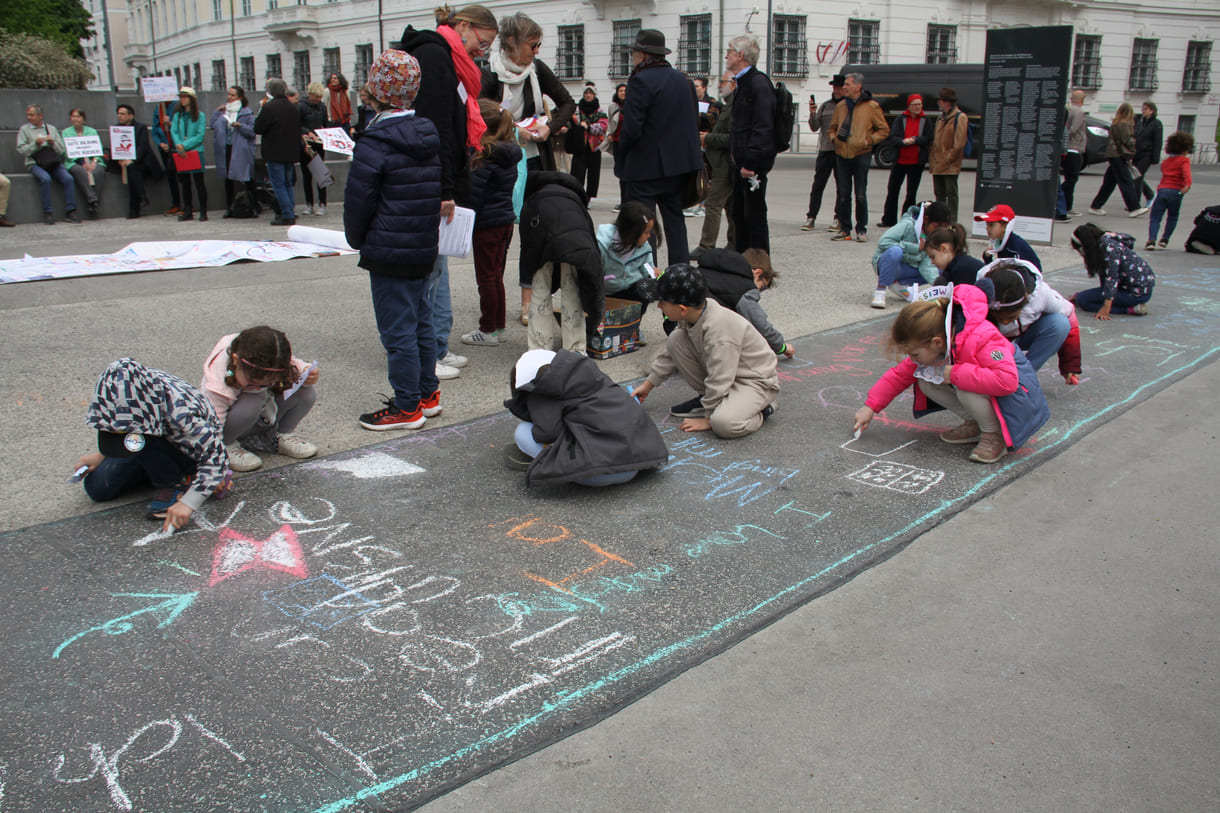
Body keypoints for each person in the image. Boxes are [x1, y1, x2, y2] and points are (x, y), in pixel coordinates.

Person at [344, 49, 444, 431]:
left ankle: (406, 407)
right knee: (420, 322)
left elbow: (359, 201)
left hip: (388, 248)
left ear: (376, 89)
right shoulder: (426, 134)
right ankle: (426, 393)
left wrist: (358, 240)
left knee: (397, 332)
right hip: (421, 245)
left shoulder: (375, 140)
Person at [401, 4, 498, 380]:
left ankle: (437, 345)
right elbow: (435, 129)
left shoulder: (448, 59)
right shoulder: (435, 57)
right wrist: (443, 188)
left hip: (442, 180)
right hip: (431, 183)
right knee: (429, 273)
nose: (481, 51)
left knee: (438, 270)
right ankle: (428, 354)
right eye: (481, 42)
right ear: (462, 26)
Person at [852, 285, 1049, 465]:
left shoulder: (983, 337)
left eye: (914, 353)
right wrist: (870, 406)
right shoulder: (939, 341)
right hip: (993, 393)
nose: (913, 359)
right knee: (926, 381)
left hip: (1020, 402)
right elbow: (900, 375)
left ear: (937, 342)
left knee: (964, 386)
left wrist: (955, 373)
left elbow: (1007, 381)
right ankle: (977, 424)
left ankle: (994, 434)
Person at [76, 358, 229, 531]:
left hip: (186, 450)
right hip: (147, 442)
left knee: (143, 440)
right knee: (97, 488)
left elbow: (217, 456)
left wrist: (189, 503)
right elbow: (119, 425)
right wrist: (101, 455)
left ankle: (178, 481)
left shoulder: (181, 413)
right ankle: (154, 469)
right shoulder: (122, 396)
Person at [632, 264, 779, 439]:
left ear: (682, 309)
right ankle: (715, 401)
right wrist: (648, 385)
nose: (659, 307)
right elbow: (670, 355)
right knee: (676, 339)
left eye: (662, 302)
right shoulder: (693, 315)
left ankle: (764, 410)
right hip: (730, 375)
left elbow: (720, 375)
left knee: (723, 424)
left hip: (754, 382)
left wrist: (709, 419)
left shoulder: (719, 331)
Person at [504, 349, 668, 487]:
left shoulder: (542, 390)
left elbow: (547, 433)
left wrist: (535, 412)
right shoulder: (591, 374)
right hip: (640, 460)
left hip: (601, 474)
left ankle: (548, 461)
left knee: (523, 432)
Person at [615, 29, 702, 266]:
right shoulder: (683, 80)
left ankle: (649, 274)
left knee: (644, 223)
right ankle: (679, 272)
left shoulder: (640, 79)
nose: (632, 57)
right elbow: (692, 121)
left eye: (634, 52)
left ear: (642, 54)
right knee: (675, 220)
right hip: (677, 166)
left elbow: (632, 128)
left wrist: (620, 151)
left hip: (645, 166)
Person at [200, 326, 319, 472]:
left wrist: (306, 371)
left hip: (259, 419)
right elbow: (213, 423)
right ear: (236, 361)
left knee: (306, 393)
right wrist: (214, 458)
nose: (259, 387)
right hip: (227, 426)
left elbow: (294, 364)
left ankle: (274, 437)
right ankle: (227, 445)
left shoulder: (269, 355)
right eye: (253, 382)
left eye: (271, 382)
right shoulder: (218, 381)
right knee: (253, 399)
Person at [518, 171, 604, 354]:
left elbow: (526, 243)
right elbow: (590, 242)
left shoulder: (533, 198)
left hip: (540, 232)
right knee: (572, 288)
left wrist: (532, 266)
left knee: (540, 289)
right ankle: (575, 350)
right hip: (575, 243)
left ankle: (539, 349)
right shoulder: (576, 201)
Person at [481, 12, 576, 174]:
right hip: (501, 157)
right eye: (533, 45)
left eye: (539, 45)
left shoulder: (537, 69)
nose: (536, 51)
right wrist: (514, 131)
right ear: (512, 41)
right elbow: (480, 116)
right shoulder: (490, 74)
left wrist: (549, 128)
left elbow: (568, 102)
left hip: (536, 157)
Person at [461, 100, 523, 347]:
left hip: (486, 223)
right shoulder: (509, 151)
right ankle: (497, 326)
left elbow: (474, 195)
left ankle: (488, 328)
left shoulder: (484, 156)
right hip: (504, 220)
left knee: (486, 277)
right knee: (495, 275)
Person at [979, 259, 1081, 385]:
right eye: (999, 318)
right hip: (994, 343)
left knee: (1060, 323)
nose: (1005, 322)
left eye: (1011, 317)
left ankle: (1023, 376)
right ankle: (997, 375)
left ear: (1025, 300)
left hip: (1024, 336)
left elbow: (1071, 319)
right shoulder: (980, 294)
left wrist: (1070, 364)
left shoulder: (1042, 295)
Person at [726, 34, 776, 253]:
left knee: (753, 214)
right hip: (741, 162)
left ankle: (759, 261)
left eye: (729, 51)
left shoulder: (757, 83)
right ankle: (742, 258)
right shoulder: (742, 83)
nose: (726, 55)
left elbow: (762, 126)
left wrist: (751, 162)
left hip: (751, 165)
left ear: (740, 55)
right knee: (739, 213)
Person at [696, 247, 794, 359]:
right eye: (761, 287)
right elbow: (759, 323)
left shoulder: (712, 271)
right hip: (709, 333)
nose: (758, 293)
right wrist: (781, 347)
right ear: (757, 273)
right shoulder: (744, 288)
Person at [829, 73, 887, 242]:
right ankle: (844, 229)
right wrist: (833, 138)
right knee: (843, 194)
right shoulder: (840, 106)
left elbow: (883, 130)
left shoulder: (871, 106)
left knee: (860, 194)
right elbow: (832, 128)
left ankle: (861, 229)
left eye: (847, 84)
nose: (844, 87)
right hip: (842, 154)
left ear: (858, 87)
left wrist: (869, 140)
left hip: (861, 153)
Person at [869, 200, 950, 308]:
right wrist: (916, 248)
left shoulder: (931, 236)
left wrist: (938, 285)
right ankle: (880, 291)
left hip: (907, 267)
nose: (938, 231)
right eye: (936, 226)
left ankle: (901, 285)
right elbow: (883, 242)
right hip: (887, 263)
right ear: (926, 219)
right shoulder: (907, 224)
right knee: (895, 251)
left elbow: (927, 265)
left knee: (940, 266)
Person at [1070, 224, 1155, 319]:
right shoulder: (1108, 238)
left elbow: (1112, 277)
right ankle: (1117, 302)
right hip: (1142, 289)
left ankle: (1130, 309)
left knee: (1083, 300)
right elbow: (1130, 240)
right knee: (1084, 297)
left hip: (1134, 294)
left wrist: (1106, 307)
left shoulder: (1106, 248)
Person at [16, 104, 78, 225]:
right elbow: (21, 150)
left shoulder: (51, 129)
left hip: (52, 161)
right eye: (28, 115)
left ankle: (71, 211)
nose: (29, 117)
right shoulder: (24, 130)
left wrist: (52, 143)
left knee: (68, 178)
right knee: (45, 179)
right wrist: (35, 144)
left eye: (32, 115)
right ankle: (48, 212)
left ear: (40, 116)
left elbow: (62, 151)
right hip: (34, 163)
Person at [597, 200, 659, 317]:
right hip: (606, 292)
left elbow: (647, 269)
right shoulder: (602, 245)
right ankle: (598, 326)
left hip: (630, 289)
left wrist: (653, 274)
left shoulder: (644, 247)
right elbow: (592, 274)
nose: (649, 236)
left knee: (648, 288)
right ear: (631, 232)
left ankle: (632, 325)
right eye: (646, 232)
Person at [878, 94, 932, 228]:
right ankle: (889, 219)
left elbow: (929, 138)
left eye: (919, 104)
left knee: (911, 192)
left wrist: (916, 140)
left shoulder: (926, 120)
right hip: (900, 161)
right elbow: (893, 137)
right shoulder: (900, 119)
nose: (918, 107)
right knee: (893, 190)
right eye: (915, 104)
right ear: (909, 106)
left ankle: (906, 220)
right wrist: (903, 142)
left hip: (916, 162)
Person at [697, 71, 735, 253]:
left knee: (713, 204)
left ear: (733, 84)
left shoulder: (733, 106)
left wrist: (709, 138)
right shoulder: (729, 105)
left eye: (722, 82)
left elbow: (733, 138)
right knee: (730, 205)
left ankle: (706, 246)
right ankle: (733, 244)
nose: (719, 85)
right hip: (721, 162)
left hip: (726, 164)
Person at [255, 78, 301, 226]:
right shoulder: (293, 107)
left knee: (278, 185)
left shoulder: (269, 107)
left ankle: (287, 214)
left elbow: (258, 128)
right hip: (291, 151)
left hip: (274, 151)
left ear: (271, 91)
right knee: (288, 184)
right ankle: (290, 211)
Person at [1088, 103, 1146, 217]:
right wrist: (1133, 149)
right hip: (1119, 154)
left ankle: (1096, 206)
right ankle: (1134, 207)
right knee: (1126, 181)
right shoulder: (1124, 124)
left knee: (1109, 183)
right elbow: (1126, 140)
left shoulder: (1116, 123)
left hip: (1113, 153)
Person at [802, 74, 844, 232]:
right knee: (818, 185)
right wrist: (812, 113)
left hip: (841, 151)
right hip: (825, 150)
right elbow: (815, 126)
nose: (837, 90)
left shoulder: (847, 106)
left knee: (841, 187)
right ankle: (811, 217)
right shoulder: (826, 106)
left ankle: (838, 218)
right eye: (835, 87)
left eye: (839, 87)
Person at [210, 85, 258, 219]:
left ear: (239, 97)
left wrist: (240, 126)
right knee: (228, 179)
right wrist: (216, 112)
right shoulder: (223, 113)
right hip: (227, 147)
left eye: (232, 95)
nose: (229, 97)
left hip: (241, 149)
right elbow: (212, 124)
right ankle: (229, 207)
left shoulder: (246, 113)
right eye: (229, 94)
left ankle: (252, 206)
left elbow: (252, 131)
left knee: (247, 178)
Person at [928, 87, 969, 225]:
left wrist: (948, 158)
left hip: (950, 164)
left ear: (947, 102)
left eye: (941, 100)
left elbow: (959, 143)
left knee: (951, 194)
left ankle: (952, 222)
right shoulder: (941, 118)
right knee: (939, 193)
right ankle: (940, 220)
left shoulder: (959, 117)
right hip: (937, 162)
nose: (939, 102)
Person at [1146, 131, 1193, 250]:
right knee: (1172, 216)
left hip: (1162, 190)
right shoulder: (1184, 161)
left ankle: (1151, 240)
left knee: (1155, 217)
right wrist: (1187, 185)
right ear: (1185, 148)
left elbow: (1164, 172)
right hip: (1176, 191)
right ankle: (1165, 239)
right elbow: (1187, 174)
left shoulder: (1166, 162)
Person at [169, 88, 208, 221]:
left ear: (192, 98)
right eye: (181, 97)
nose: (183, 99)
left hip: (195, 151)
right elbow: (173, 131)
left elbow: (200, 135)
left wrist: (185, 145)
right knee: (185, 183)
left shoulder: (200, 115)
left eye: (185, 97)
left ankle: (203, 211)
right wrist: (178, 145)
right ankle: (187, 210)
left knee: (199, 182)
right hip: (181, 152)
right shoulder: (177, 115)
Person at [114, 104, 156, 220]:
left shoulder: (141, 127)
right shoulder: (116, 128)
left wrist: (132, 159)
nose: (119, 116)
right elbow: (115, 146)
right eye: (118, 113)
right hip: (124, 162)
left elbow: (143, 146)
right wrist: (120, 159)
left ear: (130, 115)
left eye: (122, 113)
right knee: (132, 169)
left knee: (133, 168)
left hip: (142, 161)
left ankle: (134, 208)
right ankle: (142, 197)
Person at [569, 84, 608, 202]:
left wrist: (589, 127)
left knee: (593, 174)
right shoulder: (577, 110)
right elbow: (573, 123)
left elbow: (604, 126)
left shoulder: (600, 111)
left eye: (590, 93)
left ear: (594, 94)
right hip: (580, 145)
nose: (588, 95)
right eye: (586, 93)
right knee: (577, 173)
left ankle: (588, 197)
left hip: (594, 147)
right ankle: (577, 195)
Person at [64, 109, 106, 218]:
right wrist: (82, 162)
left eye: (78, 116)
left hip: (93, 159)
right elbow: (67, 151)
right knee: (80, 171)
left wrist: (94, 162)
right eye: (73, 116)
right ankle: (93, 200)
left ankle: (93, 203)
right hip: (75, 161)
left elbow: (98, 149)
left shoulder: (92, 131)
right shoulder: (66, 132)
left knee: (99, 171)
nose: (75, 119)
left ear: (83, 119)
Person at [976, 204, 1043, 269]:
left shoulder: (1015, 247)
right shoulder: (1000, 241)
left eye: (991, 225)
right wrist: (987, 257)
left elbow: (1013, 275)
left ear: (1005, 226)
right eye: (987, 225)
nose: (987, 228)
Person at [298, 82, 330, 216]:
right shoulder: (301, 106)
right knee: (306, 175)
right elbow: (298, 124)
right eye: (316, 97)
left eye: (320, 97)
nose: (319, 100)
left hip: (318, 143)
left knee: (320, 174)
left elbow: (325, 123)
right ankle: (309, 204)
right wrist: (307, 132)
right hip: (305, 143)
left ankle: (322, 203)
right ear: (310, 94)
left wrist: (326, 133)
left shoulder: (322, 107)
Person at [151, 100, 182, 215]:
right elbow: (154, 129)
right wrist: (160, 143)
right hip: (164, 148)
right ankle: (176, 204)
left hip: (177, 146)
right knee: (171, 176)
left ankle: (188, 205)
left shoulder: (177, 105)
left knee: (183, 177)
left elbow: (182, 127)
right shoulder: (158, 107)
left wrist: (170, 123)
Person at [1060, 90, 1088, 217]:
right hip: (1074, 148)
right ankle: (1066, 204)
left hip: (1068, 149)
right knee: (1072, 179)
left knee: (1069, 177)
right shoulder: (1079, 112)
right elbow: (1074, 129)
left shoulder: (1069, 110)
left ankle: (1064, 203)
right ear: (1082, 100)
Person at [1133, 101, 1163, 207]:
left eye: (1145, 109)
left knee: (1138, 175)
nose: (1143, 111)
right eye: (1143, 108)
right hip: (1137, 152)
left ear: (1152, 111)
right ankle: (1150, 195)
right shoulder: (1140, 122)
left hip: (1147, 153)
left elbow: (1158, 141)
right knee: (1135, 175)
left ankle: (1135, 202)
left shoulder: (1156, 124)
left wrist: (1155, 157)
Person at [607, 83, 628, 211]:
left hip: (628, 143)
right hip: (617, 142)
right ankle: (623, 200)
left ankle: (629, 200)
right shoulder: (613, 107)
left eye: (625, 91)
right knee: (620, 173)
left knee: (628, 173)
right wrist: (609, 134)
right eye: (620, 91)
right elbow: (610, 122)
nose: (623, 93)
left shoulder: (632, 105)